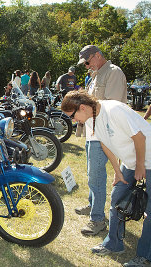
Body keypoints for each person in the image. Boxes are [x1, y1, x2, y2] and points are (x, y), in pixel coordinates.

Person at [61, 90, 151, 266]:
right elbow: (105, 144)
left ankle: (146, 256)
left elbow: (139, 137)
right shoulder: (91, 119)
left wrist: (140, 165)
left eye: (72, 116)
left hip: (147, 158)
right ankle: (114, 244)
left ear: (83, 107)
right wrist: (118, 171)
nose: (73, 121)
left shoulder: (114, 110)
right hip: (131, 163)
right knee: (117, 199)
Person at [74, 45, 127, 236]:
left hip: (104, 132)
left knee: (96, 175)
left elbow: (112, 106)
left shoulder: (113, 73)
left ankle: (97, 219)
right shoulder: (96, 74)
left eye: (88, 62)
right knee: (91, 173)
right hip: (93, 131)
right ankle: (92, 204)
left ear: (97, 56)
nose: (87, 66)